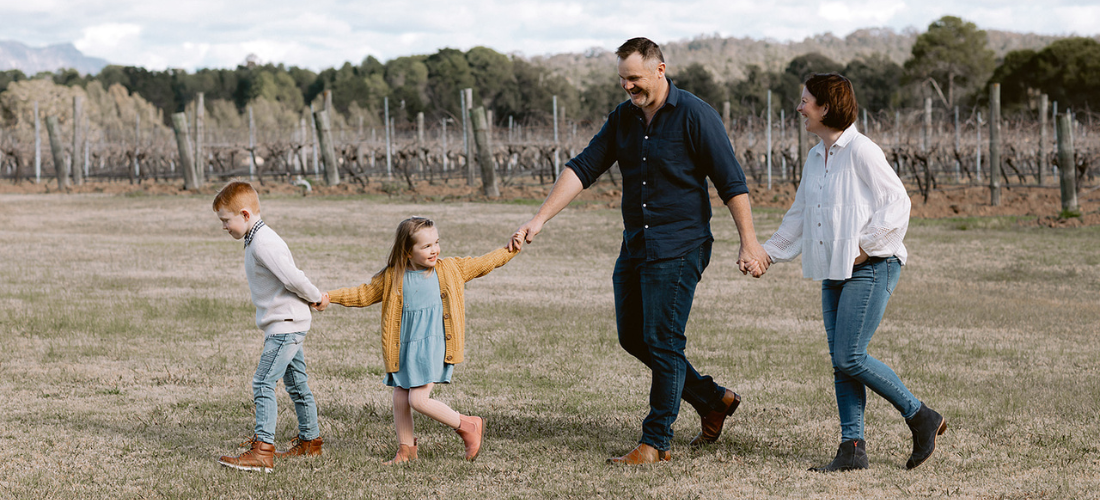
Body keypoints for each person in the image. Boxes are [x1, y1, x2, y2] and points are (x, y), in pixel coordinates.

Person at [508, 37, 770, 465]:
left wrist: (750, 241)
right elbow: (585, 165)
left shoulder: (695, 115)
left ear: (660, 70)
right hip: (637, 244)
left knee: (663, 341)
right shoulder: (623, 118)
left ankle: (656, 442)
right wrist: (539, 219)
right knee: (633, 337)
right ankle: (712, 399)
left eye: (634, 78)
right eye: (622, 79)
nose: (628, 87)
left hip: (681, 244)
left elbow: (731, 182)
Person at [759, 73, 946, 472]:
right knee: (840, 360)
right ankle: (852, 448)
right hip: (835, 268)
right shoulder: (815, 156)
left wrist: (864, 247)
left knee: (850, 355)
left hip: (874, 266)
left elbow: (897, 204)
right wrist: (766, 254)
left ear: (826, 107)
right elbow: (800, 216)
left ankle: (920, 416)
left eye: (806, 101)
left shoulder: (862, 151)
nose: (800, 107)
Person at [316, 217, 521, 463]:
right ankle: (406, 451)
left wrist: (510, 250)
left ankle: (468, 425)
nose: (434, 250)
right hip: (405, 347)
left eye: (436, 242)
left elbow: (483, 263)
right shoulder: (393, 276)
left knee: (418, 399)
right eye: (426, 246)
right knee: (401, 395)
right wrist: (331, 296)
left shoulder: (450, 269)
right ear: (407, 251)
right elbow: (363, 293)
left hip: (434, 345)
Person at [213, 181, 327, 473]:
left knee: (263, 382)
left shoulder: (264, 242)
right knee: (296, 384)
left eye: (226, 220)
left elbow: (293, 277)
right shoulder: (255, 238)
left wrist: (316, 296)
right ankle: (310, 441)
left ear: (245, 214)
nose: (224, 226)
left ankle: (263, 450)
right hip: (286, 323)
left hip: (285, 326)